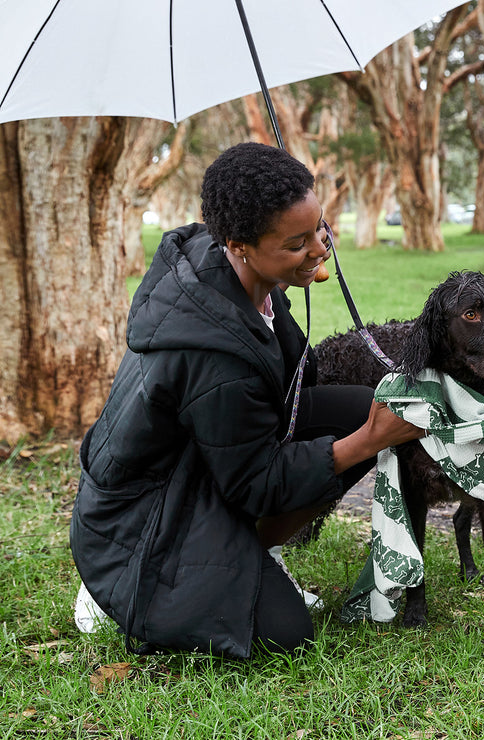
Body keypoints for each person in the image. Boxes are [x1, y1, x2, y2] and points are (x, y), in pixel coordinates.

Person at [69, 142, 423, 659]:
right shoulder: (213, 355)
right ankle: (114, 595)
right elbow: (256, 483)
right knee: (287, 633)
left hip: (201, 462)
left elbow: (288, 394)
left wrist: (296, 255)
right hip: (146, 520)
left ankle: (253, 551)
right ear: (239, 245)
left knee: (356, 409)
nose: (320, 250)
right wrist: (370, 441)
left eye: (319, 229)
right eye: (296, 242)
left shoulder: (246, 271)